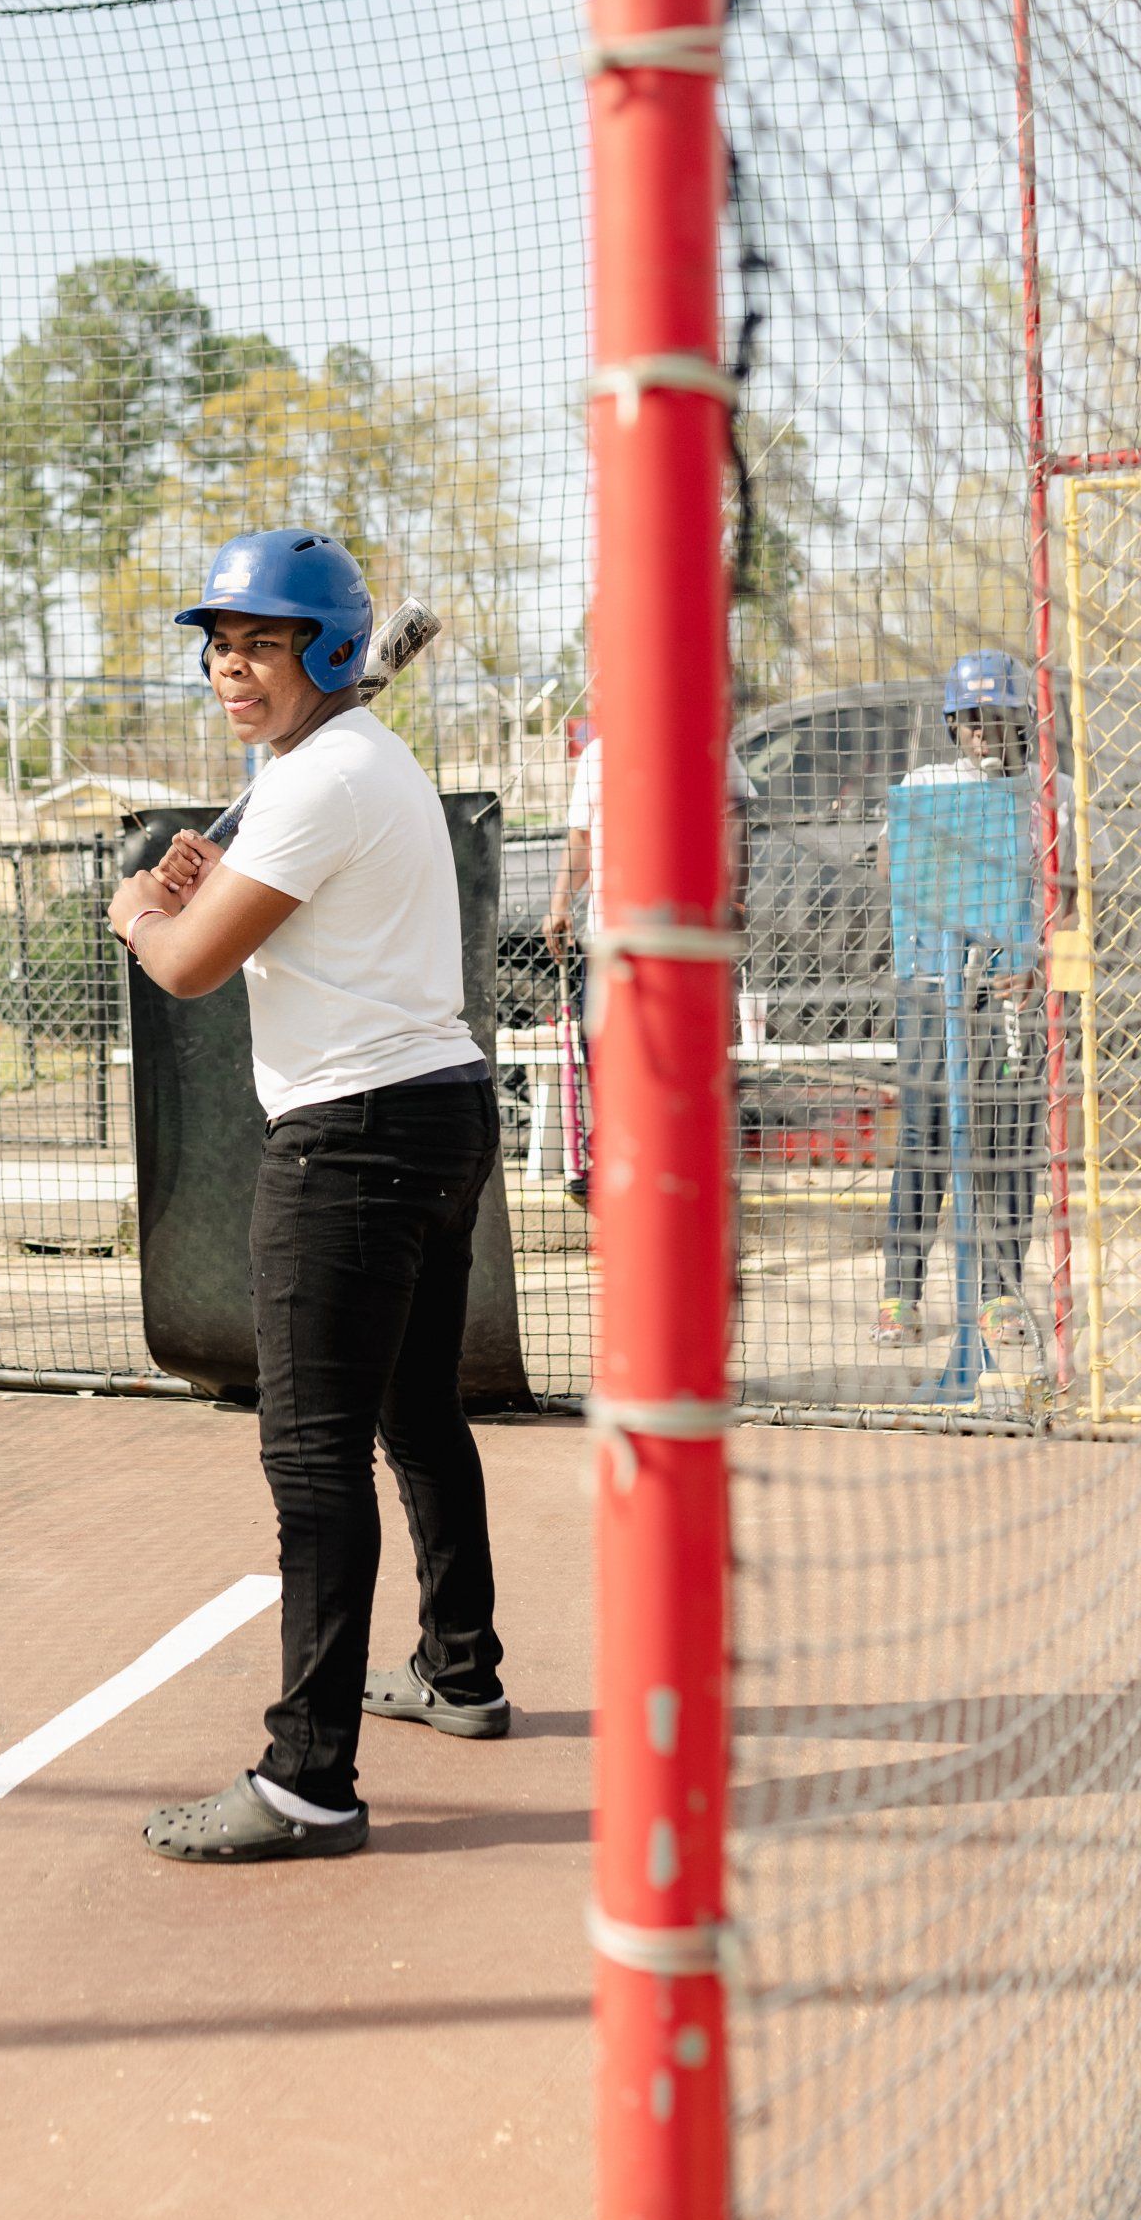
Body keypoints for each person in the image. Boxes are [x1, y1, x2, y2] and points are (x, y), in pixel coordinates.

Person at [108, 527, 509, 1865]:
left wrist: (138, 913)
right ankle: (461, 1674)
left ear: (332, 651)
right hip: (435, 1112)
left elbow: (185, 973)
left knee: (314, 1457)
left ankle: (307, 1779)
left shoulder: (315, 782)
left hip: (353, 1139)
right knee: (413, 1414)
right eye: (221, 644)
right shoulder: (348, 763)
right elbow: (264, 911)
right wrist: (194, 886)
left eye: (264, 643)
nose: (232, 666)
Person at [876, 650, 1076, 1350]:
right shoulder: (927, 783)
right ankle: (900, 1296)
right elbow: (888, 865)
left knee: (1010, 1145)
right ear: (953, 726)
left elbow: (1073, 902)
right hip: (933, 988)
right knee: (925, 1141)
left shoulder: (1052, 796)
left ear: (1023, 720)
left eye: (994, 719)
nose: (981, 733)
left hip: (1012, 999)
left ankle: (999, 1295)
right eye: (968, 721)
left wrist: (1037, 966)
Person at [539, 719, 755, 1202]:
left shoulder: (703, 739)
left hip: (683, 938)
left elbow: (737, 815)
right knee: (604, 1051)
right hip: (610, 941)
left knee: (689, 1055)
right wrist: (559, 904)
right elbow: (580, 838)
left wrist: (735, 901)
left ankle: (699, 1161)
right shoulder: (596, 755)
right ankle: (613, 1157)